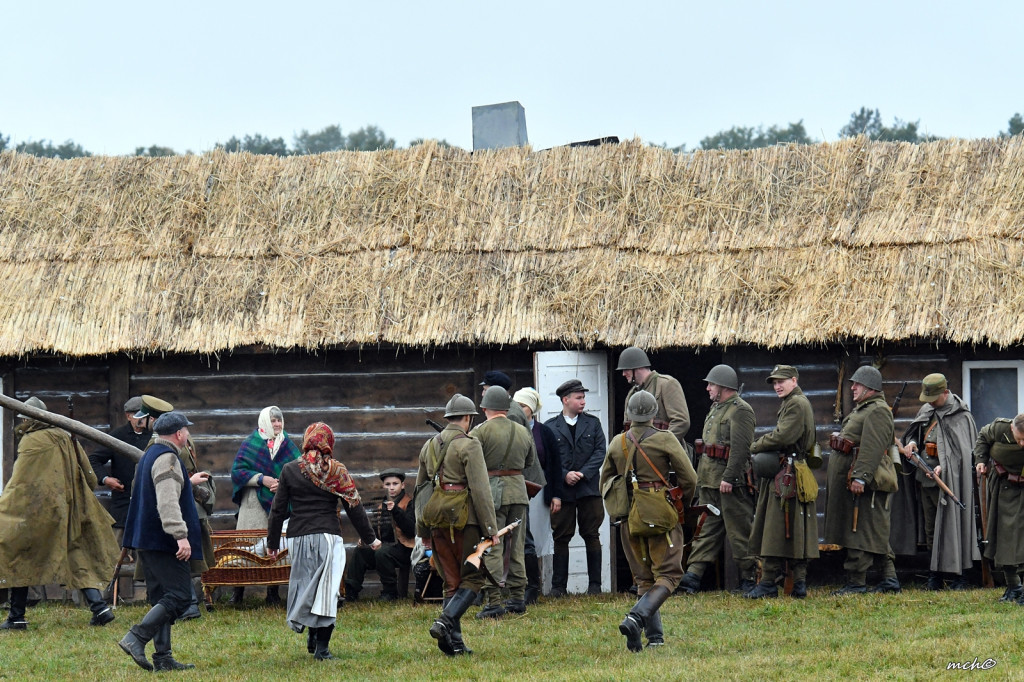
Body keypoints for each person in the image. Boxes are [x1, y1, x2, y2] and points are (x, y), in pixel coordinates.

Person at [0, 397, 120, 631]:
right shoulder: (66, 437)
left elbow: (20, 485)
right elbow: (90, 477)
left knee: (19, 554)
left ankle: (16, 617)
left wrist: (6, 506)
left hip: (36, 512)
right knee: (77, 552)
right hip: (70, 509)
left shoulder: (31, 440)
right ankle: (99, 607)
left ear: (28, 418)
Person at [267, 422, 379, 660]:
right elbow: (354, 505)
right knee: (326, 592)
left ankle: (312, 634)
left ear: (306, 440)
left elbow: (277, 510)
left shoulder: (289, 469)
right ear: (329, 442)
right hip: (327, 538)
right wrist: (370, 538)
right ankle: (322, 649)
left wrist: (273, 544)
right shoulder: (336, 470)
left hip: (297, 538)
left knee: (305, 587)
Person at [601, 390, 697, 652]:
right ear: (654, 413)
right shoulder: (665, 439)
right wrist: (681, 505)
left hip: (628, 519)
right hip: (659, 515)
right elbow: (690, 477)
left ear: (629, 414)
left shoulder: (616, 442)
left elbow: (605, 482)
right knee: (669, 574)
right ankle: (636, 618)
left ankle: (654, 638)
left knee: (644, 579)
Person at [118, 412, 205, 671]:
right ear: (179, 433)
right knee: (179, 597)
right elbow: (167, 502)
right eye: (186, 431)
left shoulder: (149, 456)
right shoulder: (167, 458)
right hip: (164, 541)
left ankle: (163, 658)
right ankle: (136, 637)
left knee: (162, 598)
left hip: (148, 539)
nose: (187, 435)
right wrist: (181, 536)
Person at [417, 394, 498, 657]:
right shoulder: (469, 445)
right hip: (467, 521)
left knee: (452, 582)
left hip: (436, 519)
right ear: (468, 418)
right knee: (472, 579)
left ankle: (453, 644)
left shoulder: (428, 446)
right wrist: (491, 529)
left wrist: (422, 531)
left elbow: (421, 492)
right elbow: (481, 490)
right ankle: (444, 622)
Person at [678, 364, 757, 595]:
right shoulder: (716, 408)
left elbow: (741, 450)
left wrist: (729, 478)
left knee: (740, 531)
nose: (708, 388)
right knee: (707, 529)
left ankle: (749, 579)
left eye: (711, 384)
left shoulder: (741, 410)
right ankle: (692, 577)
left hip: (730, 484)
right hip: (710, 481)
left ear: (723, 387)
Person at [824, 366, 899, 595]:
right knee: (870, 529)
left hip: (862, 481)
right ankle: (889, 580)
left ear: (870, 388)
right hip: (852, 479)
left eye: (857, 384)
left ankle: (856, 582)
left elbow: (872, 448)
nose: (853, 387)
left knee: (858, 530)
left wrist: (860, 477)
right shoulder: (864, 409)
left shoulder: (876, 411)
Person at [745, 365, 819, 598]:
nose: (777, 386)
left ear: (794, 380)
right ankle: (798, 584)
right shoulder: (793, 402)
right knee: (793, 528)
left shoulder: (796, 403)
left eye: (781, 381)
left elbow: (784, 436)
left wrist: (756, 445)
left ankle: (769, 584)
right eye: (774, 382)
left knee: (776, 527)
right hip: (791, 472)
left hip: (788, 476)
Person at [901, 373, 979, 590]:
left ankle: (961, 575)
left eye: (934, 397)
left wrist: (944, 467)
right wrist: (913, 444)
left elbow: (964, 453)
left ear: (946, 392)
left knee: (955, 527)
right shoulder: (927, 410)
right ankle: (935, 574)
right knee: (931, 530)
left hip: (951, 483)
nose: (930, 402)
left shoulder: (961, 416)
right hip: (925, 480)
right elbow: (914, 434)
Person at [471, 386, 543, 618]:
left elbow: (471, 463)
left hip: (492, 494)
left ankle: (493, 601)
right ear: (507, 407)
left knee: (492, 545)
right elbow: (530, 461)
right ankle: (517, 599)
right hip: (519, 492)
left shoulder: (479, 431)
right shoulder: (523, 431)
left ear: (484, 408)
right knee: (517, 548)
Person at [229, 405, 302, 605]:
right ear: (264, 422)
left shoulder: (287, 444)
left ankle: (273, 593)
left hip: (279, 503)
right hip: (253, 505)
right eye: (273, 421)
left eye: (279, 420)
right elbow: (237, 472)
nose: (277, 424)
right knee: (246, 546)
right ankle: (238, 593)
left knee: (275, 544)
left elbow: (298, 469)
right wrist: (262, 479)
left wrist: (282, 483)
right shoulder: (251, 443)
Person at [545, 379, 607, 595]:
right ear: (566, 400)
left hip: (588, 488)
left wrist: (582, 473)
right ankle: (558, 587)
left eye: (583, 397)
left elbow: (600, 451)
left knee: (592, 534)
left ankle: (595, 586)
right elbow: (548, 458)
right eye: (578, 398)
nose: (583, 402)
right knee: (561, 536)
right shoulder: (550, 427)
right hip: (563, 491)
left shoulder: (593, 423)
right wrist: (564, 475)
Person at [513, 387, 563, 603]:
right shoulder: (511, 430)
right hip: (516, 488)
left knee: (539, 538)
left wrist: (556, 495)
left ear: (532, 409)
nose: (519, 409)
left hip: (538, 489)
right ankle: (519, 584)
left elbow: (554, 466)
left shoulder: (544, 432)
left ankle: (541, 584)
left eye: (523, 406)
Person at [973, 413, 1024, 602]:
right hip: (1001, 488)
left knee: (1020, 540)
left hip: (1022, 491)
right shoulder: (999, 428)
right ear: (1012, 429)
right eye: (1019, 439)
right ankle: (1013, 586)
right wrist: (980, 460)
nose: (1022, 445)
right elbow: (983, 438)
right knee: (1001, 537)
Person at [345, 468, 415, 601]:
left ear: (403, 485)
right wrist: (366, 539)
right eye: (388, 484)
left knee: (382, 552)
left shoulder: (409, 503)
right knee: (361, 552)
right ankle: (351, 591)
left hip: (404, 549)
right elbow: (375, 529)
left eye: (395, 484)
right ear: (383, 486)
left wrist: (396, 511)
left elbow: (411, 530)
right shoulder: (380, 505)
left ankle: (390, 592)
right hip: (385, 548)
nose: (391, 488)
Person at [89, 396, 151, 542]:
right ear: (128, 416)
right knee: (118, 551)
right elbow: (94, 459)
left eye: (145, 414)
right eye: (137, 415)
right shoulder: (117, 436)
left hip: (149, 501)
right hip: (124, 502)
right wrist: (105, 479)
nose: (142, 419)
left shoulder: (154, 436)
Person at [617, 347, 690, 446]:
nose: (623, 374)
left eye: (626, 369)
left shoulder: (666, 384)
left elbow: (681, 422)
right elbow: (628, 428)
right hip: (639, 454)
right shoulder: (631, 394)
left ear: (638, 367)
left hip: (665, 455)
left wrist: (659, 446)